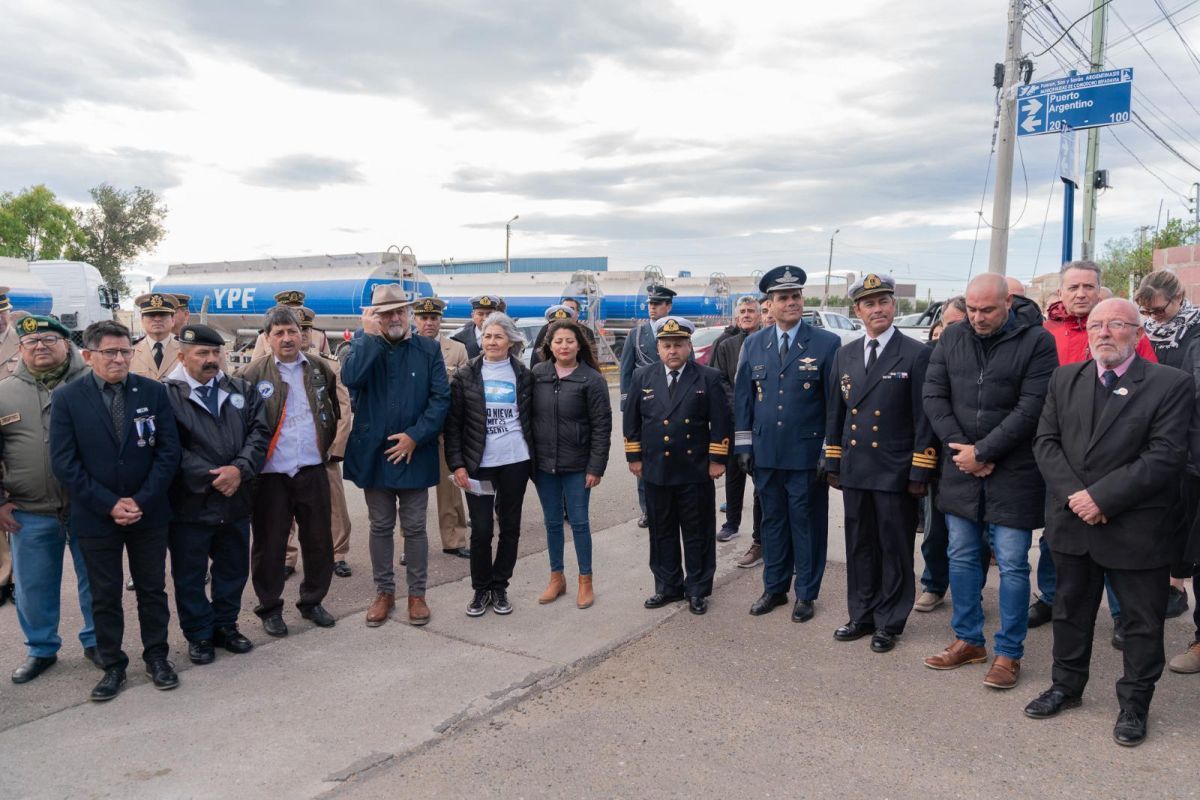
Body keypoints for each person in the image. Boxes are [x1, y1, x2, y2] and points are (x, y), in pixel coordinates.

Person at [1024, 298, 1193, 747]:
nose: (1103, 333)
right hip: (1073, 522)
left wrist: (1102, 497)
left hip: (1135, 527)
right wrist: (1078, 499)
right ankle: (1066, 686)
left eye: (1116, 324)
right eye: (1096, 325)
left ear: (1137, 333)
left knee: (1141, 623)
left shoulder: (1170, 384)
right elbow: (1046, 442)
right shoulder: (1064, 378)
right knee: (1070, 612)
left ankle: (1135, 705)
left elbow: (1166, 455)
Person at [921, 273, 1058, 690]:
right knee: (961, 554)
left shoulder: (1037, 342)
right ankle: (968, 640)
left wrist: (984, 452)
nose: (978, 318)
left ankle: (1008, 653)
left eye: (987, 310)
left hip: (1013, 473)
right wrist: (962, 449)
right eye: (973, 309)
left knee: (1014, 564)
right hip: (961, 468)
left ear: (1008, 303)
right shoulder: (953, 337)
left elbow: (1032, 406)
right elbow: (934, 394)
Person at [50, 320, 182, 702]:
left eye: (125, 350)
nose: (120, 358)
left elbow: (168, 452)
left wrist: (141, 500)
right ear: (89, 356)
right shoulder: (68, 398)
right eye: (110, 352)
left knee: (152, 590)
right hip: (96, 516)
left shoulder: (153, 392)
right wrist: (110, 503)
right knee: (104, 596)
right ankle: (112, 665)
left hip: (148, 513)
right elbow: (64, 463)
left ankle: (157, 656)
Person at [1030, 261, 1154, 641]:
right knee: (1057, 531)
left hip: (1116, 455)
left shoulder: (1126, 330)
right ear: (1062, 294)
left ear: (1101, 290)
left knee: (1112, 534)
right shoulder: (1045, 333)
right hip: (1062, 451)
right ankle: (1052, 597)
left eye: (1089, 286)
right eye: (1074, 287)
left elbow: (1150, 388)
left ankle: (1120, 614)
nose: (1081, 293)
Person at [824, 274, 937, 653]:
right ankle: (861, 613)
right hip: (857, 467)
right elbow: (836, 412)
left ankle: (890, 621)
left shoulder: (915, 353)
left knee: (894, 548)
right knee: (859, 545)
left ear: (895, 306)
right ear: (857, 311)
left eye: (884, 302)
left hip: (895, 469)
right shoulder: (847, 353)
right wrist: (834, 459)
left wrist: (921, 468)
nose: (878, 309)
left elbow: (924, 418)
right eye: (869, 304)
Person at [735, 266, 840, 623]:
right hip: (767, 454)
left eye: (796, 296)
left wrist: (830, 449)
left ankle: (806, 594)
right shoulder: (754, 343)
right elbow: (744, 399)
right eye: (783, 298)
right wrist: (744, 445)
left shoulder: (826, 343)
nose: (792, 302)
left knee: (806, 525)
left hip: (807, 455)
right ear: (771, 303)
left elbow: (833, 404)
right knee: (773, 524)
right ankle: (775, 588)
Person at [342, 285, 450, 628]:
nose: (395, 318)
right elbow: (351, 378)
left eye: (400, 311)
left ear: (408, 314)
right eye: (386, 313)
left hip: (414, 454)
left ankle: (417, 594)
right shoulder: (361, 346)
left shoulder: (428, 349)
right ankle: (384, 592)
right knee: (380, 526)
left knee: (415, 527)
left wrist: (415, 437)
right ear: (374, 316)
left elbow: (440, 399)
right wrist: (369, 338)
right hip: (374, 455)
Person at [163, 324, 269, 664]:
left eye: (215, 353)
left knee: (233, 569)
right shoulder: (165, 395)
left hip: (235, 498)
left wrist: (239, 469)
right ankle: (198, 634)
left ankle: (226, 625)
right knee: (190, 575)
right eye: (202, 354)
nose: (211, 360)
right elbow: (169, 449)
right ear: (182, 356)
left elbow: (259, 433)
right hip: (190, 503)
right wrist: (213, 477)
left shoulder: (241, 388)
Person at [2, 315, 99, 684]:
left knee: (95, 580)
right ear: (21, 348)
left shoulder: (93, 382)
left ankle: (97, 641)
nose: (40, 346)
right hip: (30, 510)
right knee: (33, 585)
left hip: (87, 506)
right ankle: (41, 649)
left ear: (66, 342)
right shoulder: (4, 392)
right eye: (32, 342)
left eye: (49, 339)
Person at [241, 306, 341, 637]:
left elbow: (332, 409)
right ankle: (269, 607)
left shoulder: (318, 368)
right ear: (267, 338)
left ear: (302, 334)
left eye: (292, 331)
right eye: (279, 332)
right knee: (269, 545)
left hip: (312, 469)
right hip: (271, 475)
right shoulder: (253, 375)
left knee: (318, 541)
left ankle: (312, 601)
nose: (287, 338)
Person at [624, 316, 730, 615]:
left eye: (679, 345)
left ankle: (697, 589)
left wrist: (717, 460)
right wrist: (634, 456)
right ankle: (667, 586)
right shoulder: (643, 377)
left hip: (694, 469)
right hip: (656, 469)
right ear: (658, 348)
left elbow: (721, 421)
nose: (673, 351)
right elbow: (631, 420)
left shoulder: (707, 377)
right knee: (661, 531)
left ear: (689, 347)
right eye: (667, 345)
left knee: (697, 533)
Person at [445, 312, 533, 617]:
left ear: (510, 340)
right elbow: (453, 425)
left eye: (498, 336)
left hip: (515, 462)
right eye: (486, 336)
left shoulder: (523, 375)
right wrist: (457, 464)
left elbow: (531, 418)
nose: (491, 341)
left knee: (510, 527)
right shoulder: (466, 375)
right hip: (478, 464)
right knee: (481, 530)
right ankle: (480, 589)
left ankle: (500, 586)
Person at [532, 319, 611, 609]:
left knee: (579, 522)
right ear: (549, 346)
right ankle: (557, 577)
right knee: (552, 523)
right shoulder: (538, 374)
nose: (563, 346)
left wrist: (596, 467)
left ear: (579, 345)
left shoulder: (592, 379)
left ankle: (585, 580)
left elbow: (602, 427)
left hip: (578, 465)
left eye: (569, 341)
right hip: (544, 465)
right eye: (557, 342)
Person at [1136, 270, 1200, 621]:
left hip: (1187, 434)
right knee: (1157, 515)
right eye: (1146, 312)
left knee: (1183, 515)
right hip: (1150, 432)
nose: (1153, 318)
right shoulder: (1144, 331)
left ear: (1179, 298)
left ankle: (1177, 585)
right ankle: (1163, 583)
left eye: (1158, 310)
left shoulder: (1195, 329)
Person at [282, 307, 354, 579]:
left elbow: (343, 410)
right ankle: (287, 558)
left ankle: (337, 555)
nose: (299, 334)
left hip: (322, 451)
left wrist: (335, 448)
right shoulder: (268, 365)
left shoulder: (328, 364)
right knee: (283, 509)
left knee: (335, 506)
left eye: (304, 329)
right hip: (285, 452)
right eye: (293, 329)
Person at [915, 295, 968, 613]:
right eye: (947, 325)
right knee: (935, 530)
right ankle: (933, 585)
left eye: (958, 324)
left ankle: (970, 591)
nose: (951, 331)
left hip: (978, 458)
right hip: (939, 457)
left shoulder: (983, 356)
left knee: (974, 538)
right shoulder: (931, 357)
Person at [412, 296, 472, 559]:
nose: (428, 323)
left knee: (450, 487)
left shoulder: (456, 350)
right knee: (411, 491)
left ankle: (454, 539)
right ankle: (409, 545)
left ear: (440, 321)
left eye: (433, 318)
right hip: (414, 430)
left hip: (447, 428)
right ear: (415, 320)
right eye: (423, 318)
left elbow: (466, 391)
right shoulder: (405, 348)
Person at [620, 284, 678, 528]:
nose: (652, 308)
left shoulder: (679, 334)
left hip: (675, 405)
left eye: (657, 304)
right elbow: (626, 372)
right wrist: (628, 408)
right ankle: (647, 509)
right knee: (644, 460)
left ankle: (673, 506)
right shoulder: (636, 334)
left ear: (668, 306)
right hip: (647, 407)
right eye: (650, 304)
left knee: (674, 455)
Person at [709, 295, 763, 548]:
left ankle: (759, 533)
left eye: (751, 310)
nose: (746, 315)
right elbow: (721, 382)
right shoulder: (726, 346)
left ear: (760, 314)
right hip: (735, 421)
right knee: (734, 475)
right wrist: (740, 408)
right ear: (736, 316)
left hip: (762, 422)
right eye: (742, 311)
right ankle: (731, 523)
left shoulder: (767, 342)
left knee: (760, 479)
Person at [0, 288, 19, 606]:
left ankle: (18, 577)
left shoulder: (25, 341)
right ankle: (2, 577)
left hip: (16, 433)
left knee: (18, 509)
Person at [250, 290, 331, 359]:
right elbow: (256, 367)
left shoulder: (319, 336)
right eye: (290, 310)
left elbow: (329, 365)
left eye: (297, 309)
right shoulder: (265, 337)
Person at [129, 292, 181, 382]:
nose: (157, 319)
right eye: (151, 315)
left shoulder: (185, 350)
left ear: (173, 320)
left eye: (163, 315)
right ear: (142, 320)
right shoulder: (130, 351)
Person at [529, 300, 597, 368]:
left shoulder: (586, 331)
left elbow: (591, 357)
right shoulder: (545, 329)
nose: (564, 346)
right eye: (558, 341)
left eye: (570, 341)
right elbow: (536, 355)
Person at [451, 295, 504, 360]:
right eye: (480, 314)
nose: (485, 318)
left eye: (489, 314)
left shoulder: (506, 337)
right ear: (473, 316)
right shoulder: (459, 339)